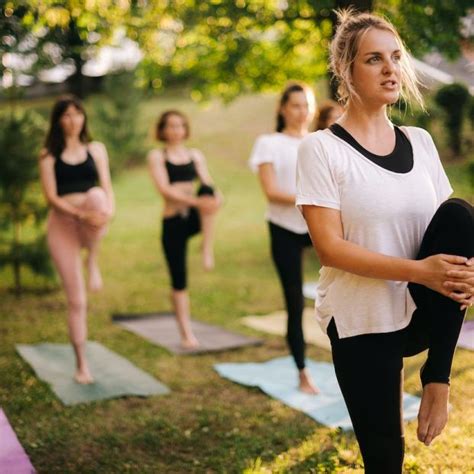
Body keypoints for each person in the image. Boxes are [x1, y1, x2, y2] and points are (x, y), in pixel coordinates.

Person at [296, 10, 474, 473]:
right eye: (374, 59)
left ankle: (437, 381)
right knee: (385, 459)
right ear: (346, 71)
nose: (391, 69)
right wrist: (421, 271)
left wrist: (455, 273)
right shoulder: (322, 149)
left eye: (396, 57)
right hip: (362, 319)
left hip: (420, 312)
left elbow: (450, 236)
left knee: (460, 214)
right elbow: (330, 248)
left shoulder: (419, 141)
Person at [249, 83, 320, 394]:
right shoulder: (269, 143)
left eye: (306, 105)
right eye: (295, 105)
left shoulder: (320, 142)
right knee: (294, 302)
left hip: (318, 227)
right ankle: (303, 371)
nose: (301, 111)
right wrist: (313, 200)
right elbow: (271, 192)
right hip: (285, 229)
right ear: (282, 109)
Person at [39, 95, 115, 384]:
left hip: (93, 221)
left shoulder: (96, 149)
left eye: (78, 114)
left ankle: (92, 259)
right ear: (58, 120)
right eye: (67, 115)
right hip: (64, 225)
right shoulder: (48, 154)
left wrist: (108, 212)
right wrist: (80, 215)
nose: (73, 120)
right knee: (77, 301)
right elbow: (51, 197)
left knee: (96, 195)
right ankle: (81, 364)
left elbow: (107, 187)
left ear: (84, 117)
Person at [148, 110, 220, 349]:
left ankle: (206, 248)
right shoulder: (157, 156)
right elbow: (165, 189)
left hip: (194, 218)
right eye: (170, 126)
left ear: (185, 129)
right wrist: (196, 202)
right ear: (162, 130)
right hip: (173, 223)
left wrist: (215, 197)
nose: (175, 130)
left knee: (208, 192)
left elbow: (207, 181)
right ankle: (186, 332)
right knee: (179, 279)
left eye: (180, 126)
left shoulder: (194, 155)